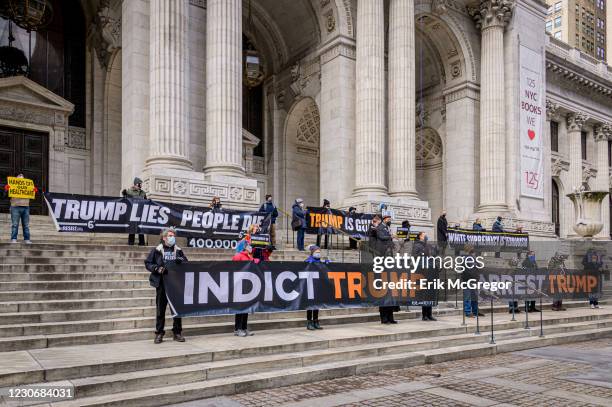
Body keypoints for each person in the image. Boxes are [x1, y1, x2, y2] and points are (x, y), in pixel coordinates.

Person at [144, 227, 187, 344]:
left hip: (175, 284)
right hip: (162, 284)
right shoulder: (157, 250)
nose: (172, 237)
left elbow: (186, 263)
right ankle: (159, 333)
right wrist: (156, 268)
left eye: (173, 235)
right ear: (164, 237)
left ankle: (177, 332)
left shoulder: (178, 250)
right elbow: (148, 263)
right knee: (160, 310)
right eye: (169, 235)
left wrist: (181, 261)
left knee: (177, 310)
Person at [232, 241, 259, 336]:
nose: (250, 247)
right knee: (240, 307)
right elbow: (233, 269)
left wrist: (255, 262)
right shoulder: (238, 256)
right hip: (239, 285)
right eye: (249, 245)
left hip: (248, 285)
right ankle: (237, 329)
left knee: (246, 308)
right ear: (244, 247)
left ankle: (244, 328)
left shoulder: (250, 257)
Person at [376, 214, 399, 324]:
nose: (390, 220)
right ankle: (384, 318)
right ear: (384, 219)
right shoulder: (380, 227)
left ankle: (390, 317)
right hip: (383, 255)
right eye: (388, 219)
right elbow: (381, 237)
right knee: (384, 295)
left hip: (389, 258)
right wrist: (391, 237)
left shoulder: (387, 228)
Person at [412, 231, 437, 321]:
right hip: (422, 271)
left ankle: (429, 314)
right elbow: (414, 256)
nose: (426, 236)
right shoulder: (417, 245)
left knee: (430, 293)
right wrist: (423, 253)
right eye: (424, 235)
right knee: (424, 293)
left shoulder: (427, 245)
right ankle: (424, 315)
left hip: (429, 270)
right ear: (420, 237)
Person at [304, 245, 328, 330]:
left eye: (319, 252)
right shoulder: (308, 261)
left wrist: (327, 264)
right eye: (316, 252)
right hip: (310, 287)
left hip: (318, 286)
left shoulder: (321, 262)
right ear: (312, 253)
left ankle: (316, 321)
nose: (318, 253)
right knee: (310, 306)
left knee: (317, 305)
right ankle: (309, 322)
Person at [6, 173, 34, 244]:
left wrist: (34, 190)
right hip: (15, 206)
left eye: (22, 178)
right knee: (15, 224)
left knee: (26, 225)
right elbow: (5, 196)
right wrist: (6, 190)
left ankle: (27, 239)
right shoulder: (12, 186)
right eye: (19, 178)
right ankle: (14, 238)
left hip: (26, 207)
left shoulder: (28, 186)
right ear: (16, 179)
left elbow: (33, 197)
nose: (21, 179)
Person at [122, 177, 147, 246]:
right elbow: (125, 200)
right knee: (132, 228)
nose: (141, 186)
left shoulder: (143, 193)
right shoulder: (129, 191)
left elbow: (146, 202)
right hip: (132, 212)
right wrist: (124, 194)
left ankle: (142, 243)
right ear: (136, 184)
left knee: (141, 228)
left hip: (140, 212)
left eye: (141, 184)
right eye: (139, 184)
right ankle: (131, 243)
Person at [462, 246, 484, 318]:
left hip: (474, 280)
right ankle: (468, 312)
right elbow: (466, 270)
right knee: (467, 296)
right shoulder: (465, 258)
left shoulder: (474, 259)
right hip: (467, 280)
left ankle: (475, 311)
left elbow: (479, 267)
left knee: (474, 296)